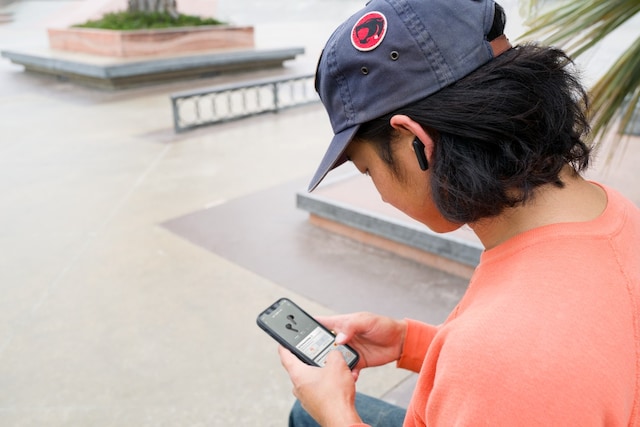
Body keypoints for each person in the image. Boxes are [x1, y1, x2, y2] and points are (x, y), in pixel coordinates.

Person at [276, 0, 640, 425]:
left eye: (368, 170)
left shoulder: (507, 355)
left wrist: (336, 413)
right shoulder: (611, 212)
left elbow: (512, 370)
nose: (381, 194)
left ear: (416, 143)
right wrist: (410, 343)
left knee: (310, 413)